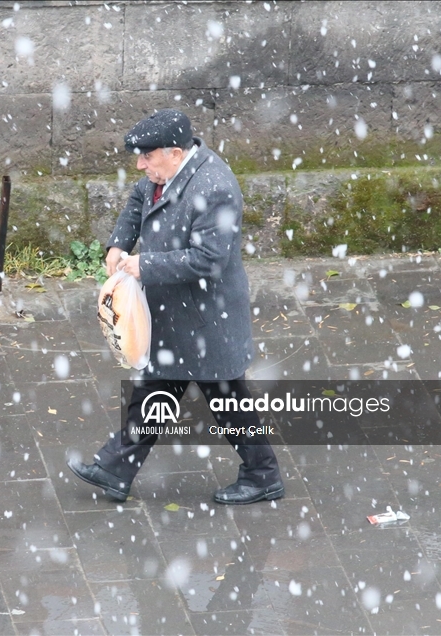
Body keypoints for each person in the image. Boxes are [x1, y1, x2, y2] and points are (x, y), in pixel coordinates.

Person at [68, 109, 283, 505]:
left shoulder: (215, 188)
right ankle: (115, 468)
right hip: (177, 314)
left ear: (174, 152)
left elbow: (209, 259)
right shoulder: (163, 175)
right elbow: (139, 199)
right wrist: (119, 243)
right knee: (156, 390)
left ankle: (263, 474)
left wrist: (145, 265)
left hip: (206, 320)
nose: (141, 165)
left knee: (228, 403)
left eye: (147, 157)